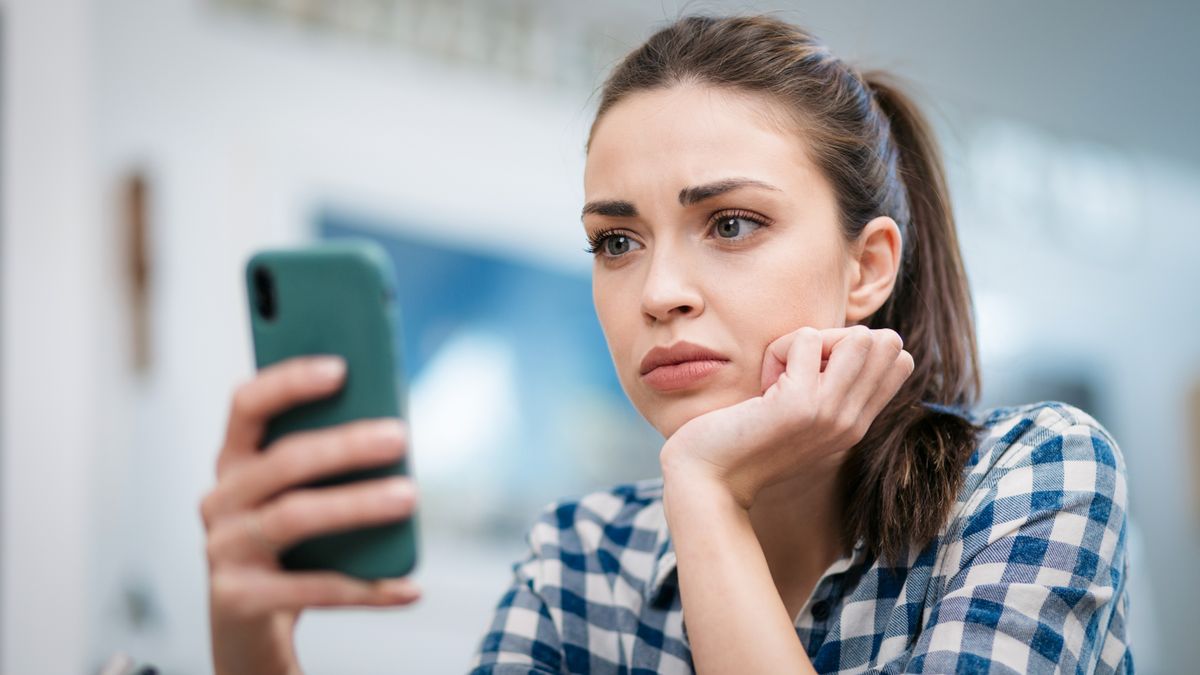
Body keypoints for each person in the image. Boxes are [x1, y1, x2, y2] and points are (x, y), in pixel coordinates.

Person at [201, 14, 1131, 675]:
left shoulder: (1035, 478)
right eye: (616, 241)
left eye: (729, 224)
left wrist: (707, 493)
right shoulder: (582, 559)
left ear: (867, 268)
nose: (658, 293)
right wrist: (255, 648)